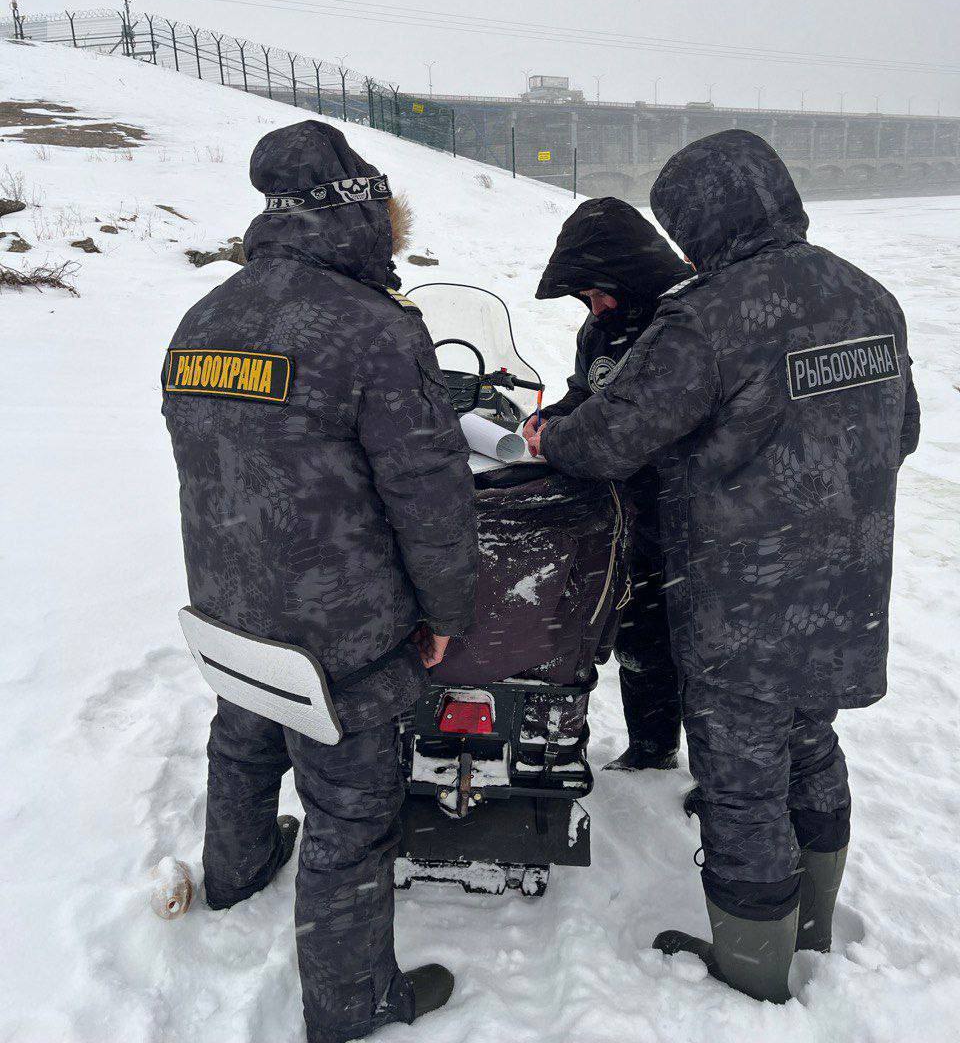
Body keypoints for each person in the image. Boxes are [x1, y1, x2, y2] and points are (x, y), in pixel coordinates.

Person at [529, 131, 920, 1003]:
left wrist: (546, 436)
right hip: (847, 583)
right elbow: (902, 431)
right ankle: (812, 922)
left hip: (742, 594)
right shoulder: (869, 295)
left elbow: (610, 440)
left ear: (700, 220)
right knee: (810, 741)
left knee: (740, 781)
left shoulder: (709, 316)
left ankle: (753, 966)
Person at [161, 120, 478, 1042]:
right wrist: (447, 610)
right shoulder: (375, 329)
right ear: (364, 214)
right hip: (342, 633)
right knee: (351, 811)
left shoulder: (203, 317)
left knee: (244, 736)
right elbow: (430, 491)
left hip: (230, 604)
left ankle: (237, 871)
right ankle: (351, 1003)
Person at [525, 197, 689, 770]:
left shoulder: (680, 327)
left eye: (600, 293)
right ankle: (651, 750)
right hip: (623, 507)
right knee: (638, 636)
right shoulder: (600, 327)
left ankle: (722, 776)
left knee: (696, 648)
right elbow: (587, 391)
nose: (596, 307)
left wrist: (570, 437)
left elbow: (642, 424)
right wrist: (552, 418)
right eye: (587, 298)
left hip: (686, 512)